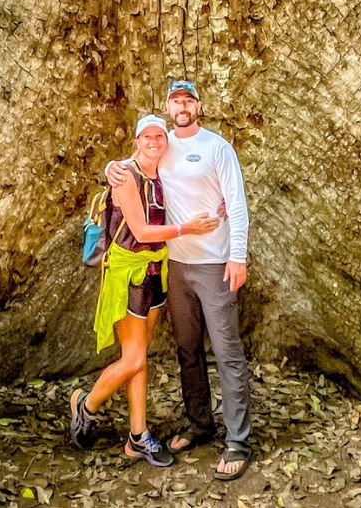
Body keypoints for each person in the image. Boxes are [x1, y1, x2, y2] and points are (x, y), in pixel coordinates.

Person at [106, 80, 253, 481]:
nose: (182, 106)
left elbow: (236, 206)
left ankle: (238, 439)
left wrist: (237, 255)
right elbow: (132, 164)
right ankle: (199, 424)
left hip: (215, 263)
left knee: (226, 351)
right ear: (169, 107)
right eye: (176, 100)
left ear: (198, 105)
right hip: (176, 264)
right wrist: (109, 168)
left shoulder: (217, 147)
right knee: (187, 350)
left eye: (188, 99)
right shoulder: (163, 144)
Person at [69, 114, 220, 467]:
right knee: (134, 358)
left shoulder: (163, 172)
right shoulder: (126, 175)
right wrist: (187, 229)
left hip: (155, 274)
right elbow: (139, 230)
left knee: (139, 359)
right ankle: (86, 404)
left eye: (159, 136)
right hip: (128, 274)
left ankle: (138, 437)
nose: (154, 141)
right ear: (137, 140)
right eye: (147, 136)